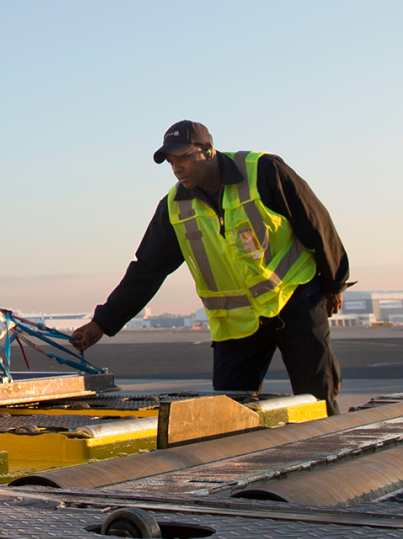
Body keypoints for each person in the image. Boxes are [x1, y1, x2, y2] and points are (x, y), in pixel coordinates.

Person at [69, 121, 351, 414]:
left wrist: (333, 284)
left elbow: (316, 224)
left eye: (184, 157)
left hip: (295, 301)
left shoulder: (263, 171)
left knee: (317, 403)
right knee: (229, 414)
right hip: (237, 325)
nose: (177, 168)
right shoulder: (174, 207)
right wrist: (102, 322)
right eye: (171, 162)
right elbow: (147, 270)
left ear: (207, 150)